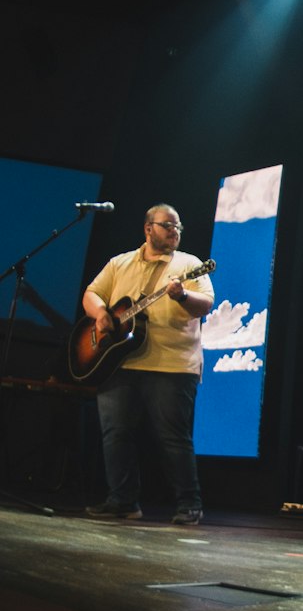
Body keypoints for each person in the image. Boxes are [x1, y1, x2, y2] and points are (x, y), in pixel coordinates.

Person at [84, 204, 215, 524]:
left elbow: (205, 305)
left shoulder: (190, 264)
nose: (175, 231)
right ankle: (123, 501)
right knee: (115, 433)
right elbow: (92, 293)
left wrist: (182, 296)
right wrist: (101, 313)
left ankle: (189, 504)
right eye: (168, 225)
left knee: (172, 436)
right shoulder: (120, 262)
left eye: (178, 227)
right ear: (148, 229)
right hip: (119, 363)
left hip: (172, 364)